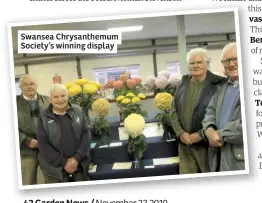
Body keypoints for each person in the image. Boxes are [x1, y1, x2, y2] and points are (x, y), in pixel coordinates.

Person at [170, 48, 227, 174]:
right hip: (185, 146)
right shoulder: (182, 83)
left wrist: (200, 134)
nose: (195, 66)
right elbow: (173, 111)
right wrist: (181, 133)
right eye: (192, 63)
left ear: (207, 63)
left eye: (199, 62)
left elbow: (223, 115)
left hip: (208, 147)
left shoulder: (220, 84)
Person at [202, 42, 244, 172]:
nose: (231, 64)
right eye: (226, 60)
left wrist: (219, 135)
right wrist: (209, 129)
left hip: (241, 159)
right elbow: (210, 111)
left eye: (235, 59)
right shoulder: (222, 87)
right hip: (218, 155)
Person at [37, 84, 92, 183]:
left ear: (68, 96)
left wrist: (76, 159)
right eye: (56, 97)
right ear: (50, 99)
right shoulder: (43, 117)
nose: (60, 100)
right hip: (57, 171)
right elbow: (43, 144)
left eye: (63, 96)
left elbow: (86, 135)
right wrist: (64, 162)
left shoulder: (78, 111)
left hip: (79, 166)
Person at [17, 74, 49, 185]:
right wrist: (27, 140)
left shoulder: (48, 100)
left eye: (32, 84)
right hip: (26, 151)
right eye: (25, 84)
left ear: (37, 85)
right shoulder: (12, 103)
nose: (29, 87)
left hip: (47, 149)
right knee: (27, 182)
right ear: (20, 87)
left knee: (49, 182)